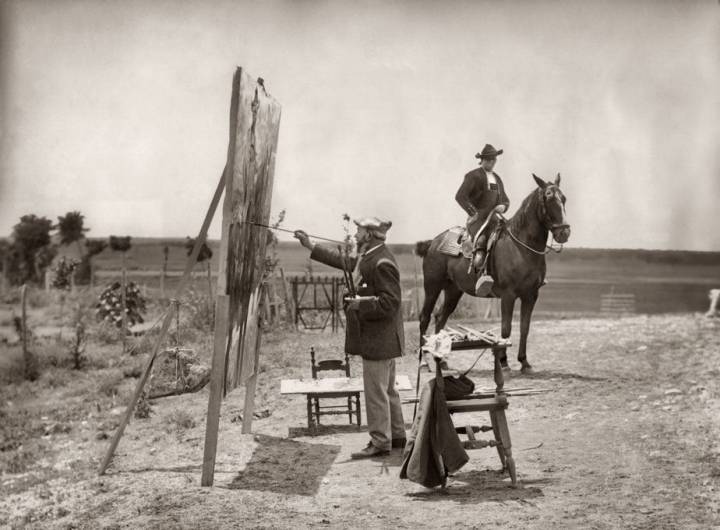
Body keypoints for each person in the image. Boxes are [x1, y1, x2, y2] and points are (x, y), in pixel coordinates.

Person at [294, 217, 406, 458]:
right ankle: (397, 436)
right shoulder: (371, 257)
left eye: (359, 231)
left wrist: (360, 305)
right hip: (383, 339)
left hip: (379, 340)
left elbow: (391, 303)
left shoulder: (381, 262)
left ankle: (380, 441)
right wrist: (310, 245)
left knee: (376, 392)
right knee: (388, 390)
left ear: (370, 234)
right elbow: (345, 262)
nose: (355, 235)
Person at [454, 143, 510, 295]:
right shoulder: (473, 176)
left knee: (508, 239)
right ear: (482, 160)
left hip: (495, 219)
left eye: (493, 160)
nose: (491, 162)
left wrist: (503, 207)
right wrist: (473, 212)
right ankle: (482, 278)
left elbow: (505, 200)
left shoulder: (497, 179)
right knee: (482, 242)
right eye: (488, 159)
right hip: (478, 220)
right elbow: (460, 197)